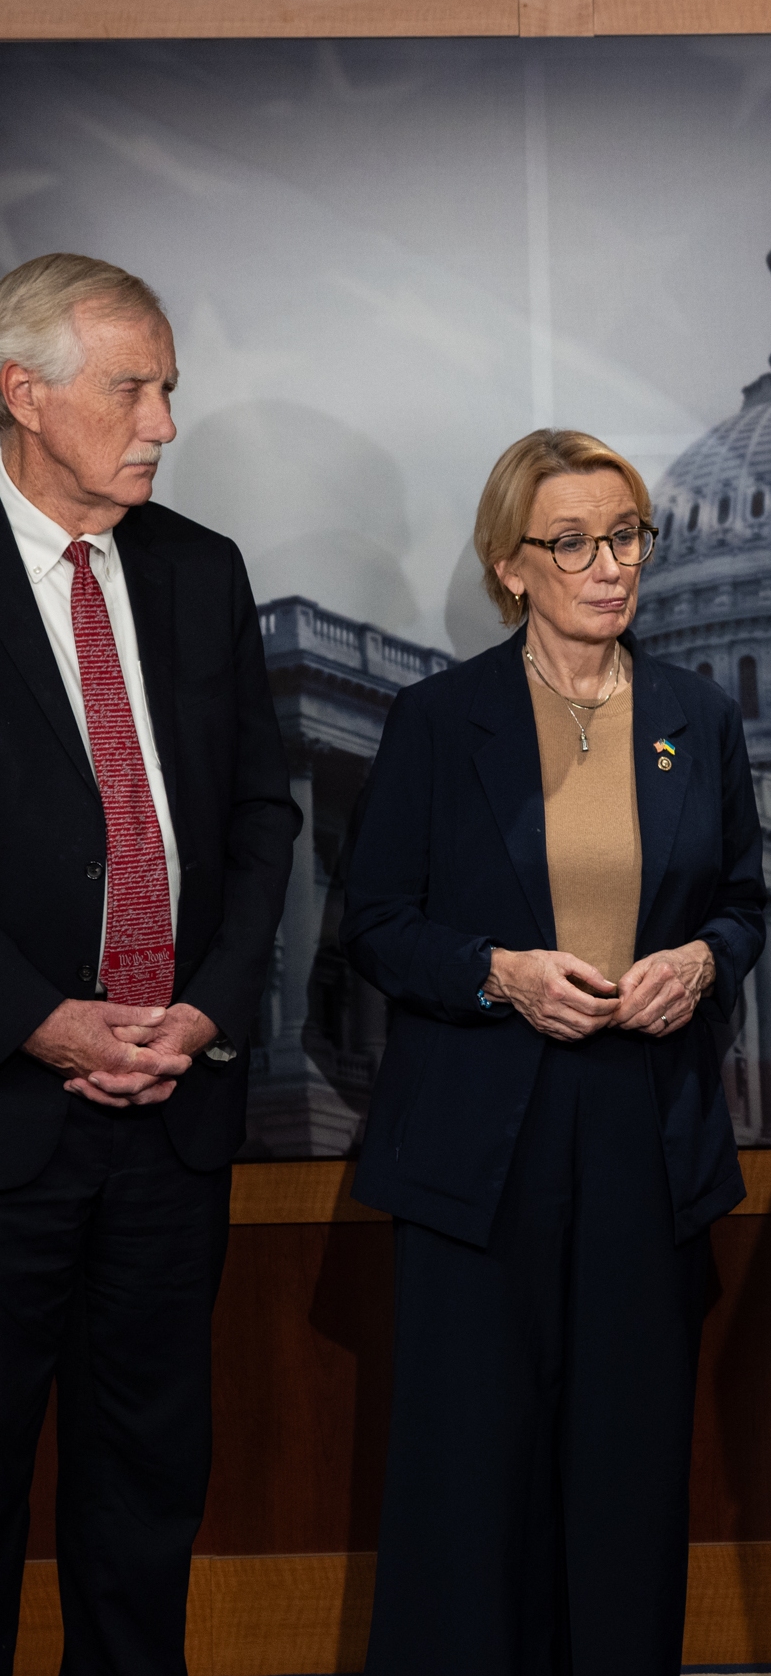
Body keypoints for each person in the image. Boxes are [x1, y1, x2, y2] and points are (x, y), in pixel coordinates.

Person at [341, 429, 767, 1676]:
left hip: (647, 1131)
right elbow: (374, 924)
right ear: (509, 565)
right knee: (472, 1476)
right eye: (571, 542)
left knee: (629, 1472)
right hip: (482, 1143)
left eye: (626, 534)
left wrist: (703, 962)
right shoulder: (438, 718)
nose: (607, 565)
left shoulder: (699, 715)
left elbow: (741, 904)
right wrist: (499, 974)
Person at [0, 253, 299, 1675]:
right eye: (133, 386)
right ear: (23, 393)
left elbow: (258, 816)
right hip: (7, 1115)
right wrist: (37, 1019)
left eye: (169, 387)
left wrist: (206, 1008)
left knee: (145, 1491)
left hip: (171, 1115)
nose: (165, 421)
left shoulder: (198, 568)